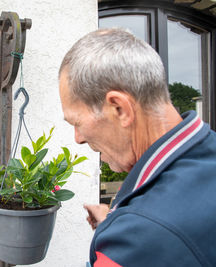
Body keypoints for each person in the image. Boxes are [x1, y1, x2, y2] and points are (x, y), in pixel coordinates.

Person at [58, 28, 216, 267]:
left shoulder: (141, 237)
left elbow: (158, 235)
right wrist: (118, 221)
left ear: (119, 109)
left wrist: (126, 233)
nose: (77, 138)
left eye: (77, 122)